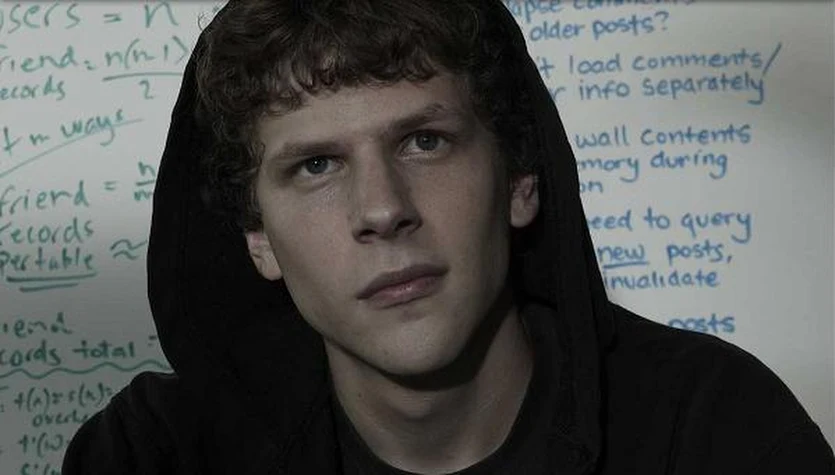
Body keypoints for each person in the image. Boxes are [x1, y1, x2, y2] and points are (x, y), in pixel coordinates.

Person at [62, 1, 834, 473]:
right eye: (317, 164)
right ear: (257, 238)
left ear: (520, 182)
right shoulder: (155, 453)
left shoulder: (711, 428)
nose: (382, 209)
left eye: (424, 141)